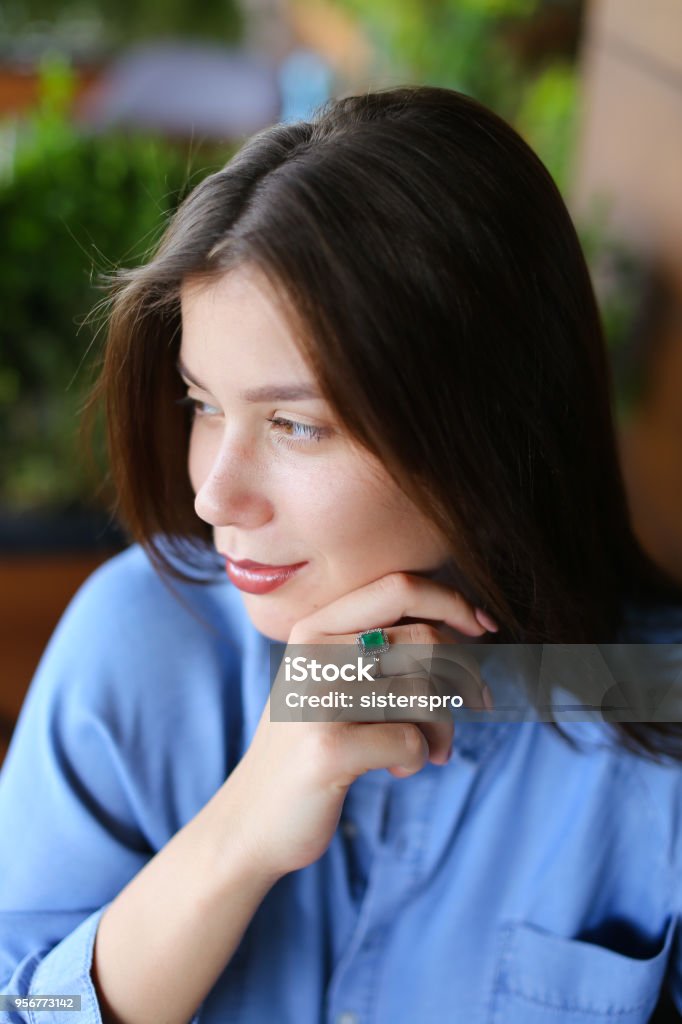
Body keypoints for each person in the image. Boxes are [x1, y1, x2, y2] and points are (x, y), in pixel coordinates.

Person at [1, 84, 682, 1024]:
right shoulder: (141, 644)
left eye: (294, 424)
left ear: (480, 423)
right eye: (204, 404)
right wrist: (235, 838)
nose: (213, 494)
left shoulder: (655, 716)